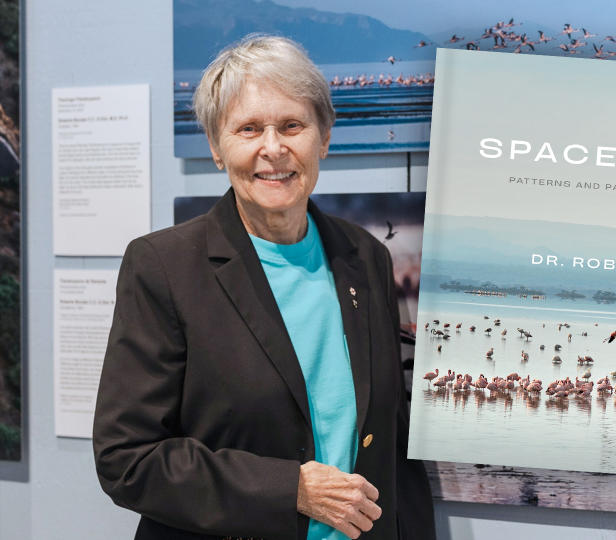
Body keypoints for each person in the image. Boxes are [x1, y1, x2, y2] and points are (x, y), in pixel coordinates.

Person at [93, 35, 435, 540]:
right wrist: (288, 490)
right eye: (248, 128)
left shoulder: (365, 257)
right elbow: (128, 458)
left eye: (292, 125)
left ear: (323, 137)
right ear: (215, 146)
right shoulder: (163, 267)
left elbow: (391, 445)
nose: (273, 149)